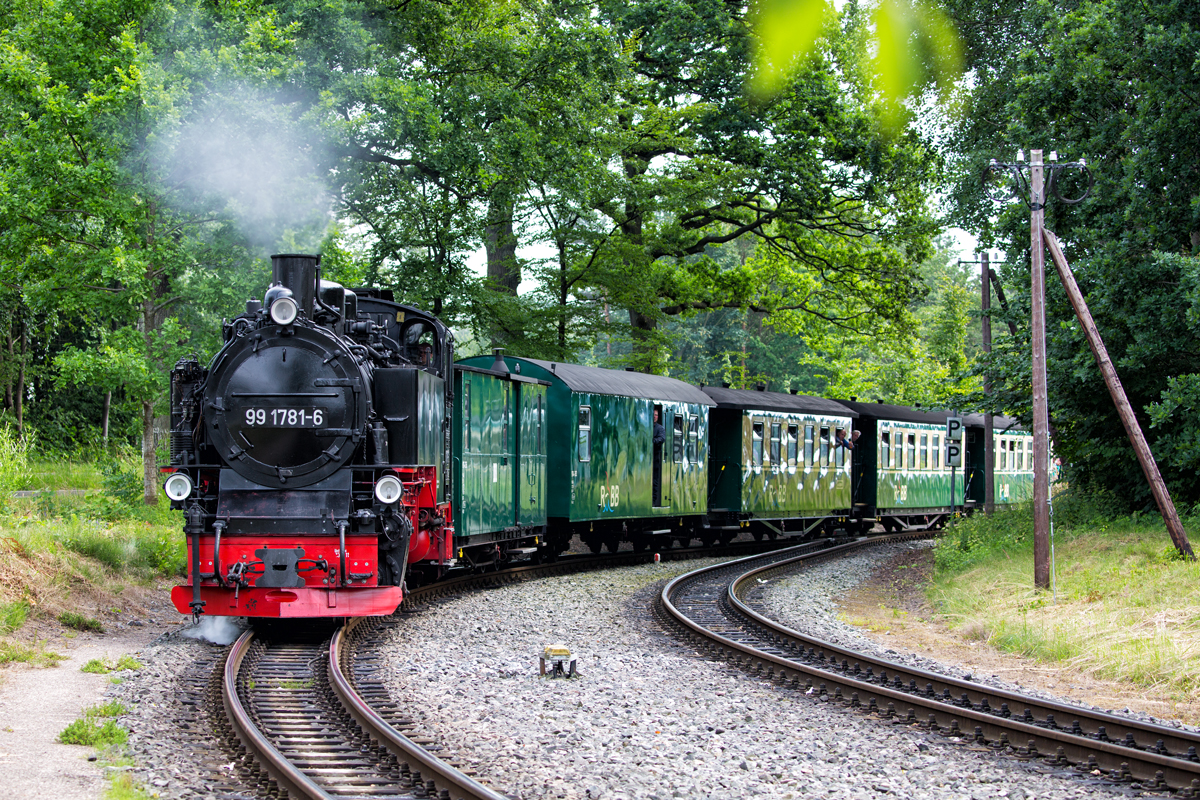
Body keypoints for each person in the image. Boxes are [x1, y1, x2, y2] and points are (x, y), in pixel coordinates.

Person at [652, 409, 665, 505]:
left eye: (656, 415)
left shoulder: (660, 428)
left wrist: (653, 441)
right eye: (653, 415)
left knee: (654, 480)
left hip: (655, 456)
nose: (654, 416)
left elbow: (662, 438)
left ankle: (654, 500)